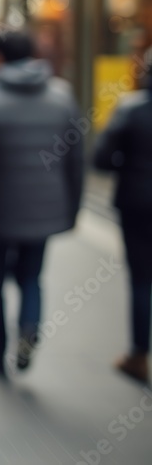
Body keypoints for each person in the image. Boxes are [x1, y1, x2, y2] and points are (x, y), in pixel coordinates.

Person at [0, 30, 83, 376]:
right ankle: (28, 327)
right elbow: (75, 157)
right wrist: (73, 207)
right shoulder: (61, 94)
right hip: (46, 203)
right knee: (31, 275)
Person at [93, 47, 152, 385]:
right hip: (137, 201)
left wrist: (130, 167)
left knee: (142, 279)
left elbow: (102, 158)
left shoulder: (131, 110)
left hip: (138, 202)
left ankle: (139, 354)